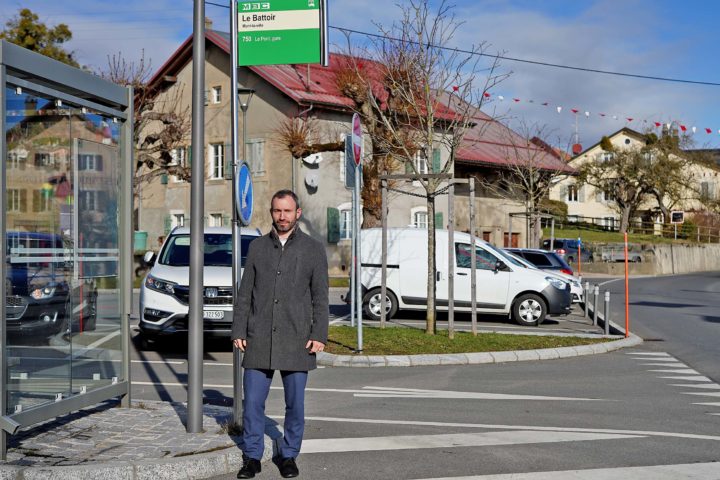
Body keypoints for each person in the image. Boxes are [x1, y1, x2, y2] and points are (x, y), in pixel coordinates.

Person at [232, 189, 329, 479]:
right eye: (277, 211)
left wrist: (319, 333)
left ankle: (288, 455)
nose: (282, 216)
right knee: (252, 404)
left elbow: (320, 298)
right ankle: (251, 457)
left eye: (287, 211)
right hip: (258, 335)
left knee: (295, 405)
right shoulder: (258, 247)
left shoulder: (313, 249)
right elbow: (245, 292)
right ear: (271, 212)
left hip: (297, 338)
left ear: (297, 213)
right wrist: (239, 328)